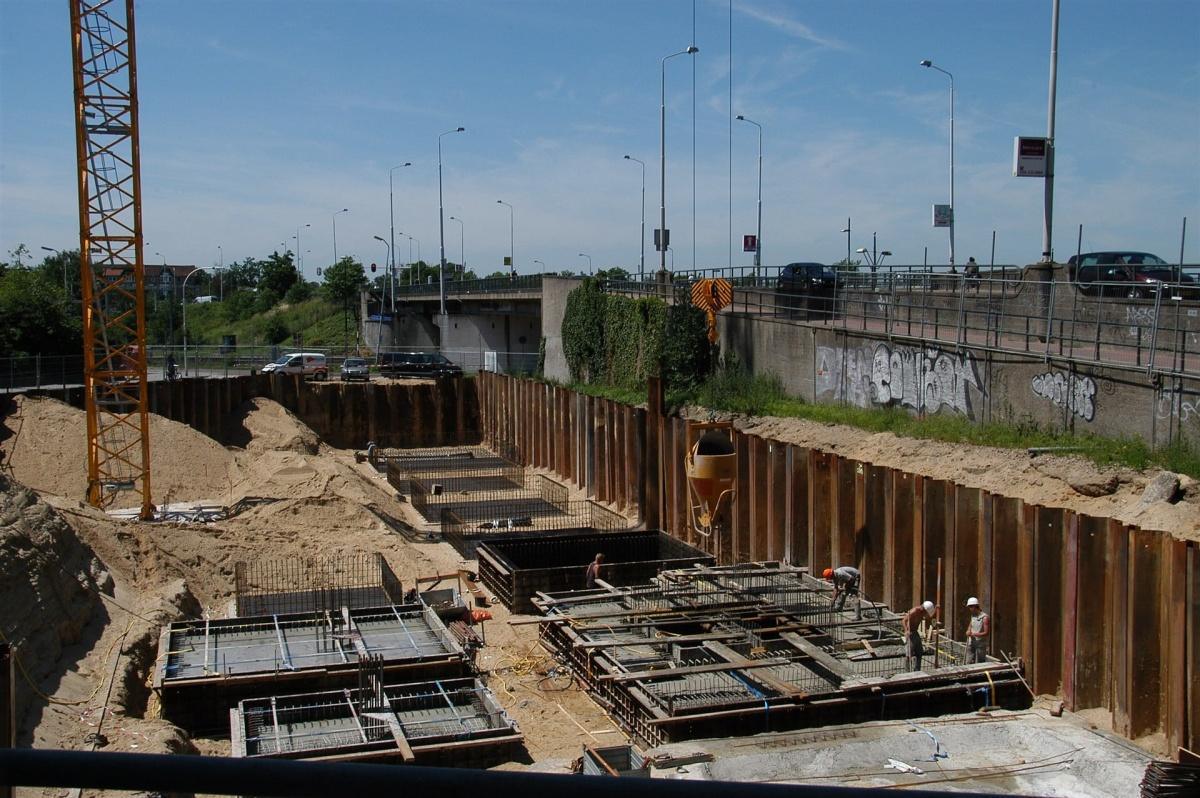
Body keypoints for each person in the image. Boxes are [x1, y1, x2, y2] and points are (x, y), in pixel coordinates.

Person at [902, 600, 936, 671]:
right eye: (927, 613)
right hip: (910, 633)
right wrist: (906, 631)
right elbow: (904, 620)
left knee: (919, 651)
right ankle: (907, 671)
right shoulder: (914, 611)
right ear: (924, 610)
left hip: (915, 632)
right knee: (909, 654)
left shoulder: (922, 613)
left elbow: (928, 618)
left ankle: (917, 670)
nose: (926, 615)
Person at [964, 596, 990, 663]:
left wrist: (974, 634)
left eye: (970, 607)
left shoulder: (984, 618)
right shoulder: (973, 615)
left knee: (979, 662)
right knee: (968, 660)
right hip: (971, 642)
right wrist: (968, 630)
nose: (969, 609)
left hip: (980, 644)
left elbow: (986, 633)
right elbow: (970, 625)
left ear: (975, 606)